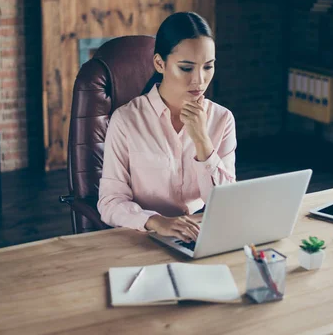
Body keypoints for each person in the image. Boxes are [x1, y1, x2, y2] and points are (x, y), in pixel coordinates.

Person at [97, 12, 236, 243]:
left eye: (208, 67)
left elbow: (226, 204)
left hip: (200, 233)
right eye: (186, 68)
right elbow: (110, 202)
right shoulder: (126, 120)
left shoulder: (222, 119)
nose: (199, 80)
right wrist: (155, 221)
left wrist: (202, 141)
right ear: (160, 63)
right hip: (143, 235)